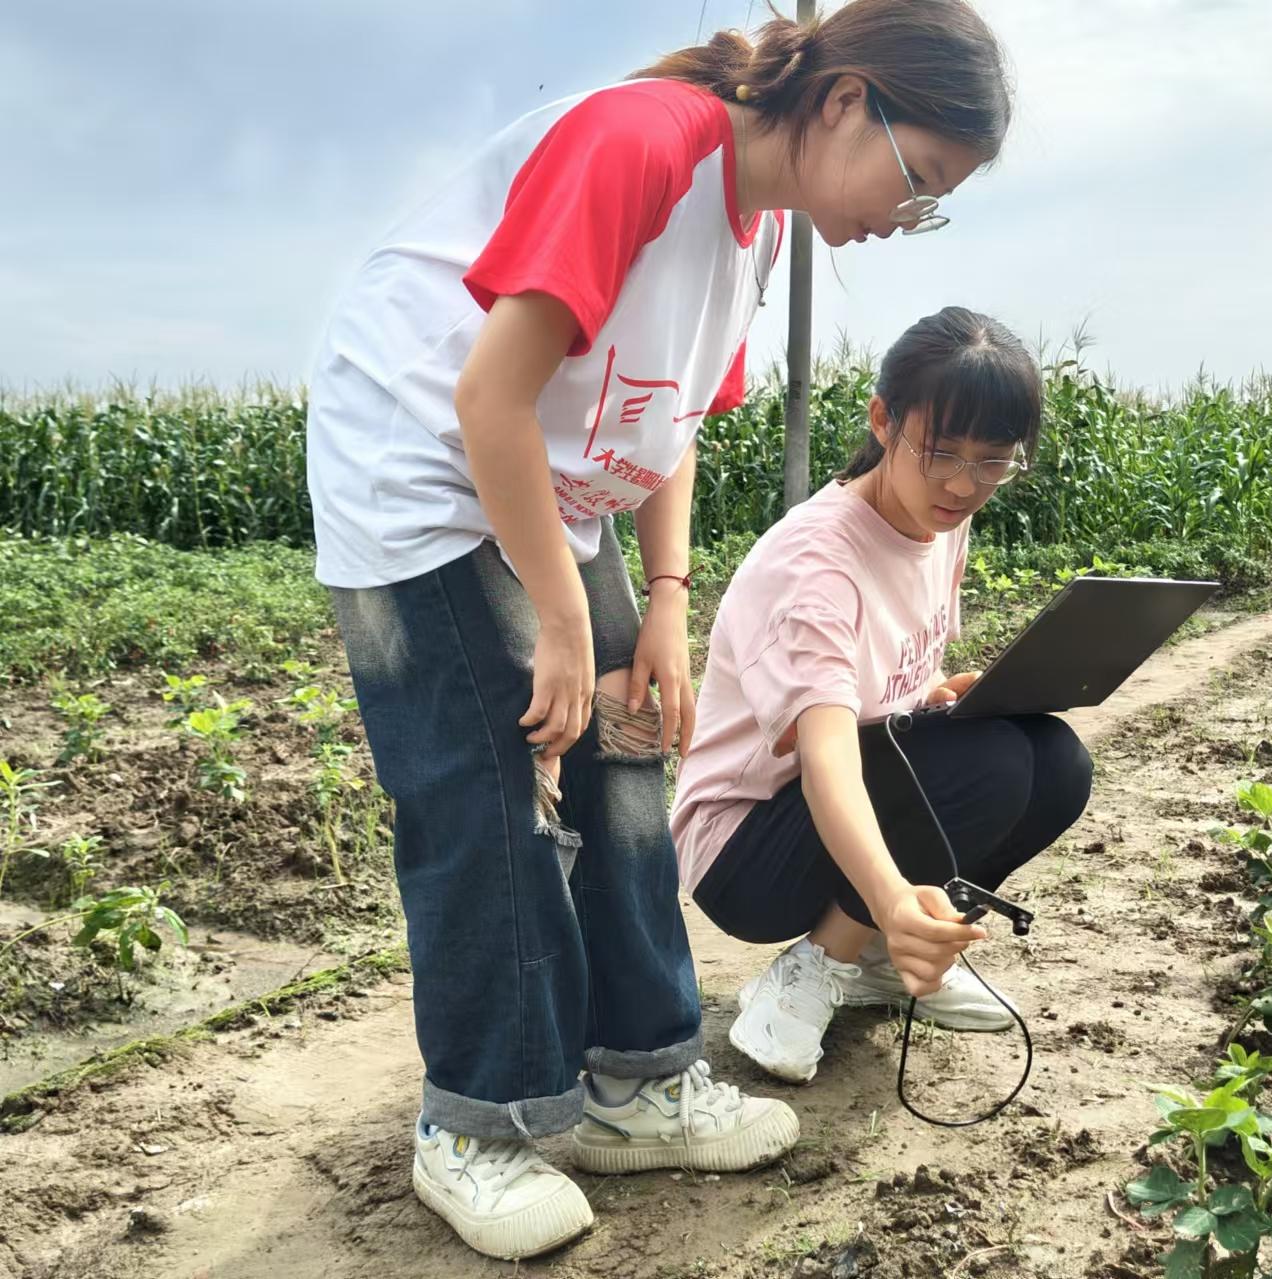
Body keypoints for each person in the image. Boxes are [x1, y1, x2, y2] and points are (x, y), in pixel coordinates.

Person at [303, 0, 1015, 1261]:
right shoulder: (643, 141)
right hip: (419, 464)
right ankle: (475, 1122)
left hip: (551, 484)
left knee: (625, 753)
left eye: (933, 204)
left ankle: (636, 1077)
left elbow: (663, 424)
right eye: (915, 179)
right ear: (845, 101)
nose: (902, 220)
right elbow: (488, 391)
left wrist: (666, 604)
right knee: (488, 786)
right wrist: (567, 612)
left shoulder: (753, 225)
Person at [673, 308, 1094, 1085]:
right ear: (882, 421)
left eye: (994, 461)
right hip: (746, 847)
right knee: (994, 763)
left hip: (832, 803)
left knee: (1056, 760)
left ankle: (880, 961)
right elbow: (830, 756)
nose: (965, 485)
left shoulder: (941, 521)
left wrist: (938, 694)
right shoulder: (817, 563)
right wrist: (891, 895)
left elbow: (882, 692)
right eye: (942, 454)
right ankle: (818, 968)